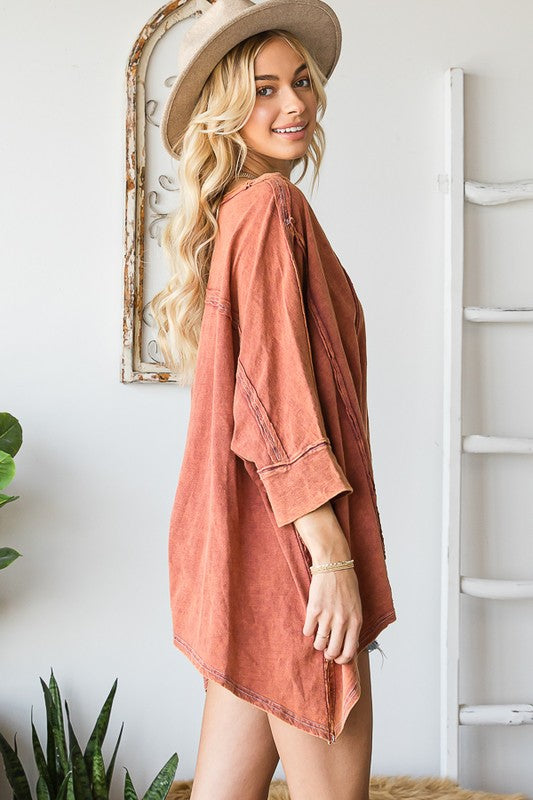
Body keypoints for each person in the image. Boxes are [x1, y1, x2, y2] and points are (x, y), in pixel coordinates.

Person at [150, 1, 397, 797]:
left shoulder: (240, 210)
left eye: (300, 81)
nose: (294, 103)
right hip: (291, 554)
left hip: (244, 551)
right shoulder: (269, 207)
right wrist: (331, 557)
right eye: (263, 89)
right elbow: (272, 402)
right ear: (225, 108)